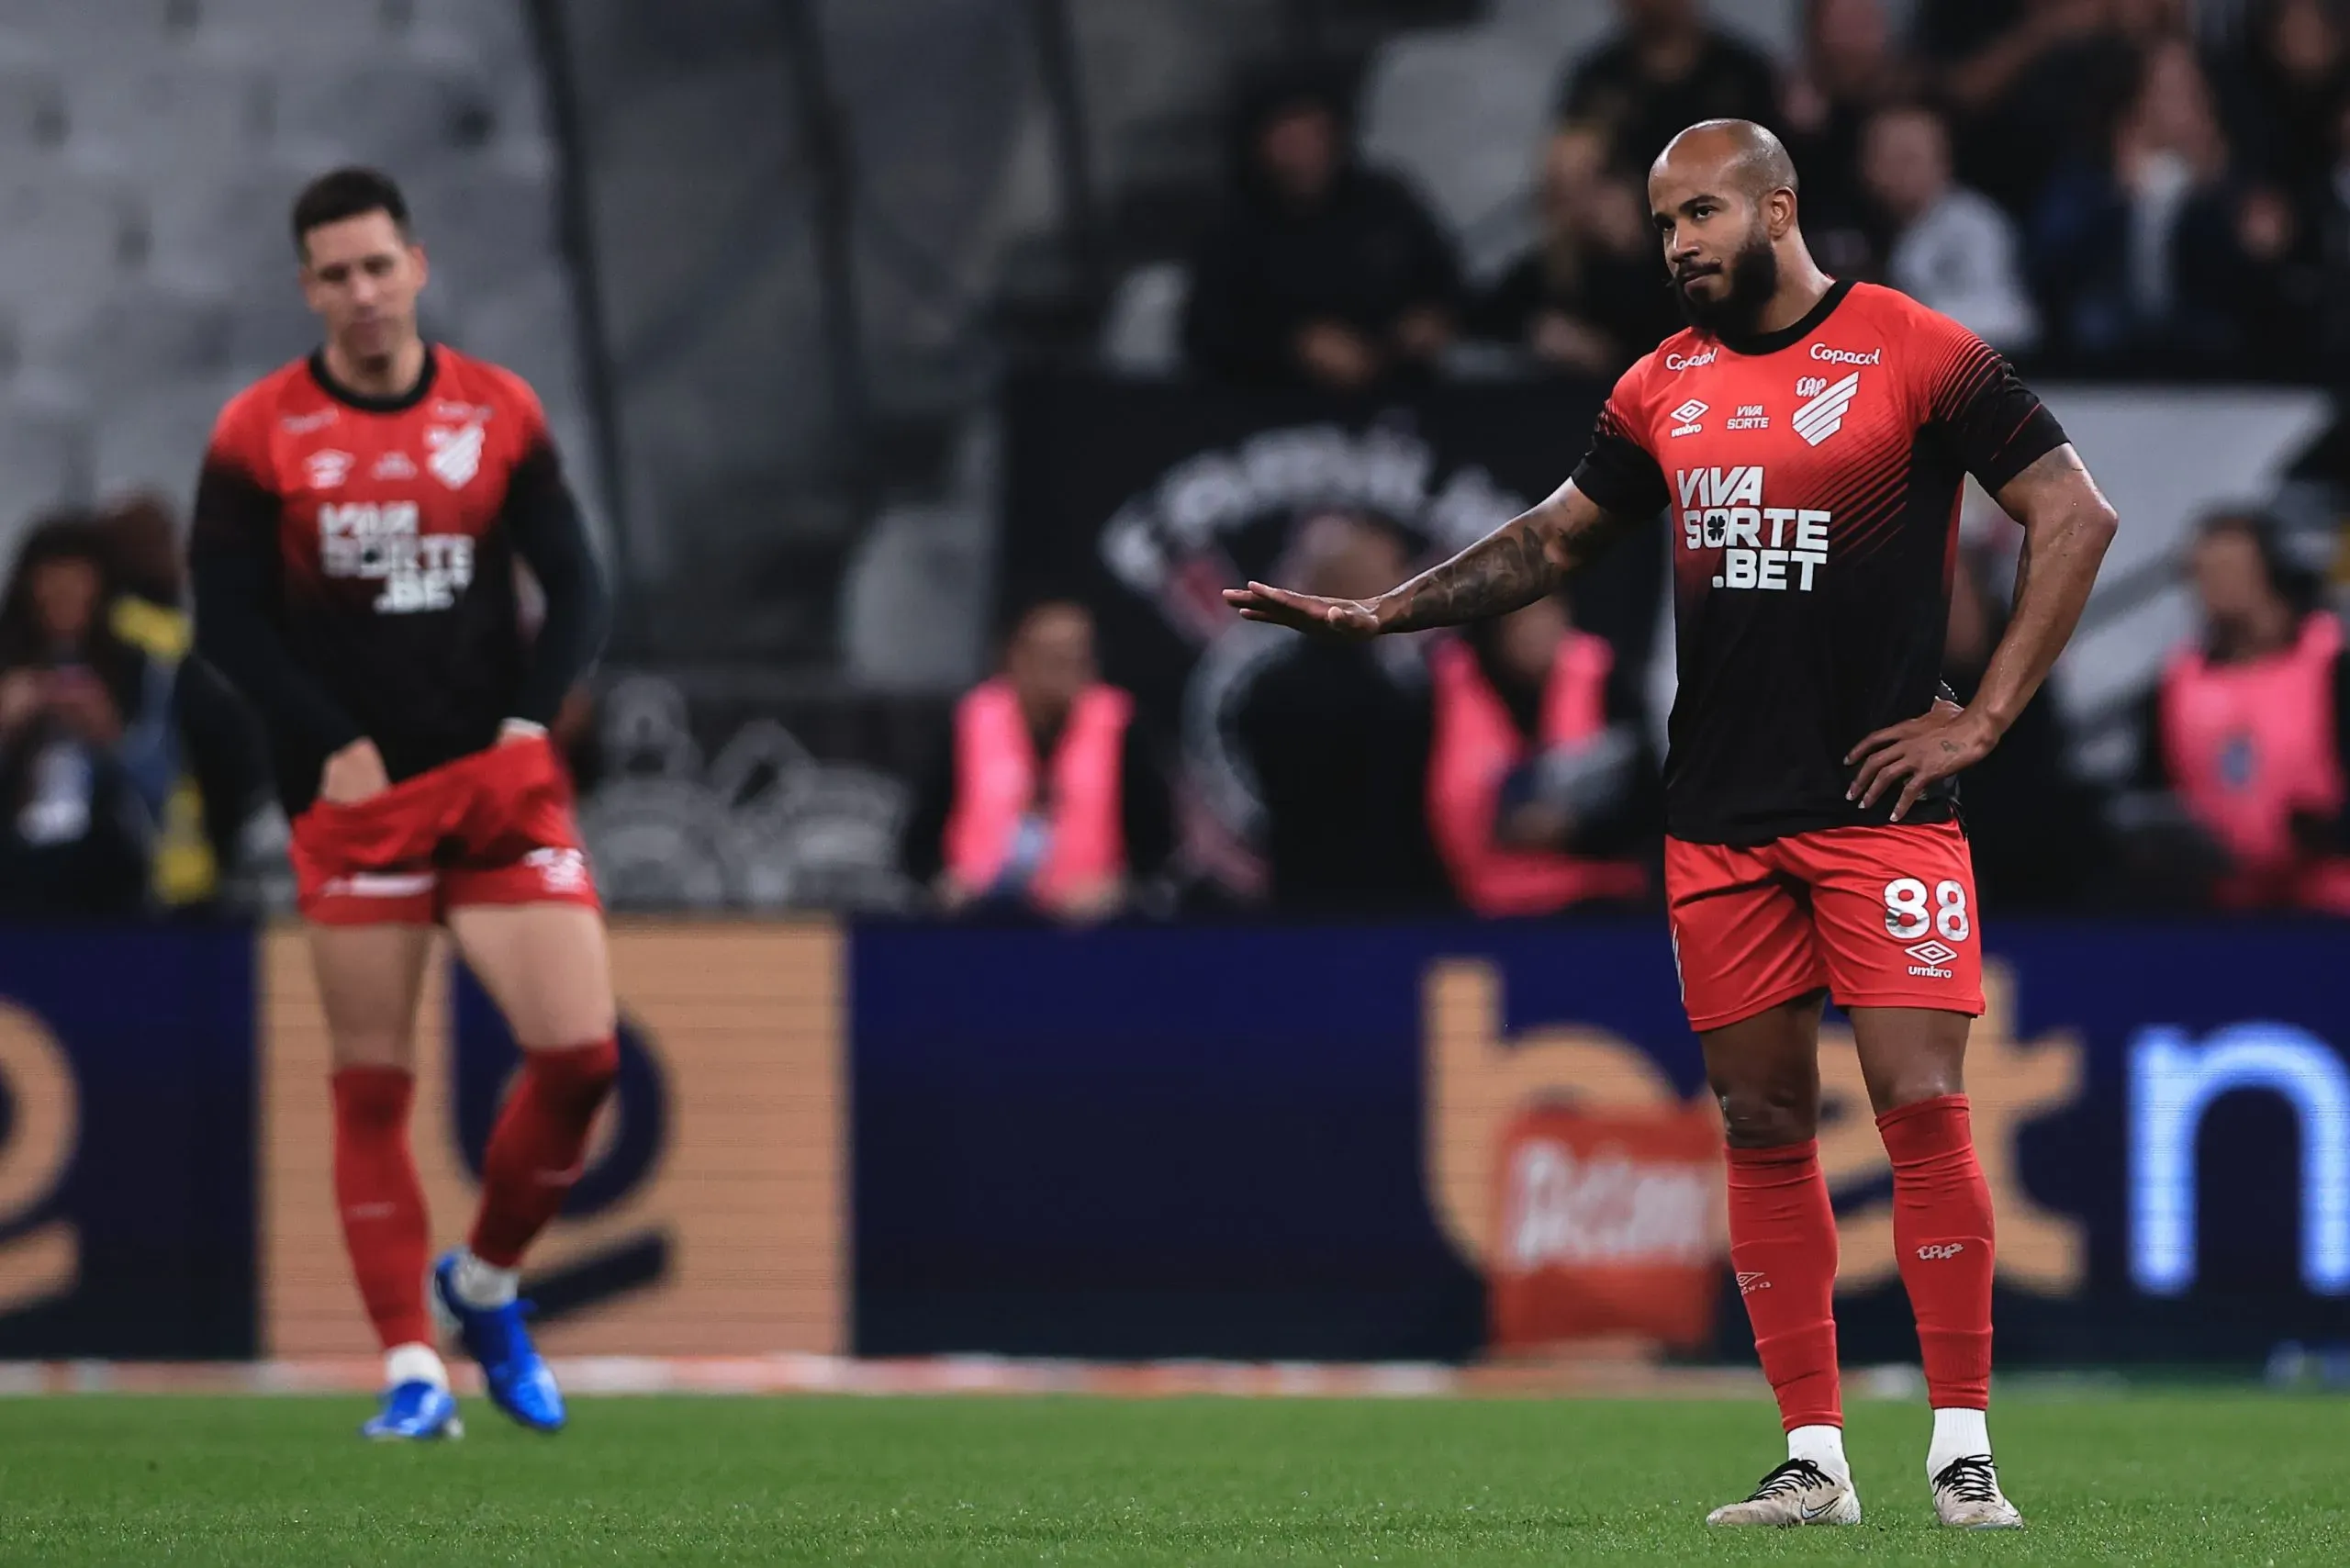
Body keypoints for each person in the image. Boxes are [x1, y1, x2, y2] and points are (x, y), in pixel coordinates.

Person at [1228, 119, 2117, 1529]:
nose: (1677, 244)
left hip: (1880, 805)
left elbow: (2074, 513)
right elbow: (1551, 539)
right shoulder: (1663, 384)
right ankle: (1814, 1458)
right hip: (1718, 815)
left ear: (1780, 209)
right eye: (1660, 225)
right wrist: (1382, 614)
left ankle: (1963, 1449)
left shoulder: (1914, 349)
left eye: (1701, 213)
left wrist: (1987, 717)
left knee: (1921, 1105)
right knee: (1761, 1122)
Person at [188, 168, 612, 1441]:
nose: (363, 292)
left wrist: (530, 721)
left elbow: (579, 585)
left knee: (581, 1059)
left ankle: (482, 1284)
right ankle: (411, 1367)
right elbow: (228, 621)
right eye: (337, 274)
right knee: (371, 1086)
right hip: (357, 798)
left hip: (492, 784)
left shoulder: (497, 409)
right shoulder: (260, 430)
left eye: (379, 265)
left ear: (417, 266)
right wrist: (334, 743)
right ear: (307, 289)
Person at [1207, 510, 1453, 915]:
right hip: (1365, 902)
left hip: (1316, 898)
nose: (1402, 586)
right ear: (1347, 586)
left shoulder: (1270, 689)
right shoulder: (1378, 695)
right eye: (1391, 574)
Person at [1181, 62, 1461, 393]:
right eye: (1289, 140)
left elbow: (1448, 284)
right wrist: (1293, 347)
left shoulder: (1385, 203)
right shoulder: (1234, 226)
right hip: (1274, 403)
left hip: (1398, 395)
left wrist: (1432, 318)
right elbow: (1207, 333)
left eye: (1317, 134)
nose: (1306, 152)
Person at [2126, 512, 2350, 911]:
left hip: (2330, 905)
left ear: (2270, 571)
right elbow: (2153, 792)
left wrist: (2326, 830)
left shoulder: (2334, 667)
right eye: (2204, 574)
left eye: (2230, 570)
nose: (2215, 587)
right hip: (2220, 908)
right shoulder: (2172, 685)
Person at [901, 599, 1172, 921]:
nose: (1065, 672)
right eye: (1053, 659)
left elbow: (1155, 843)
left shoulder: (1120, 725)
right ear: (1017, 658)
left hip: (1088, 926)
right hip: (979, 921)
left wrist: (1118, 888)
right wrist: (943, 881)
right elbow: (918, 840)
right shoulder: (970, 721)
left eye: (1078, 658)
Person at [1426, 593, 1655, 916]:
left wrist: (1573, 830)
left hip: (1601, 905)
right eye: (1519, 620)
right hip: (1475, 911)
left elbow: (1647, 803)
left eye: (1544, 614)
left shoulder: (1612, 684)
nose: (1533, 631)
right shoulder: (1441, 690)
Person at [1467, 124, 1684, 379]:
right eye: (1563, 189)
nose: (1580, 203)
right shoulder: (1555, 264)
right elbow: (1483, 318)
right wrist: (1536, 330)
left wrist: (1631, 249)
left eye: (1590, 184)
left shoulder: (1678, 250)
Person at [1860, 103, 2041, 353]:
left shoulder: (1975, 226)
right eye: (1884, 158)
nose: (1894, 172)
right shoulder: (1867, 224)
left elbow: (1999, 316)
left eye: (1908, 159)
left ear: (1943, 163)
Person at [1556, 0, 1781, 181]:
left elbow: (1775, 169)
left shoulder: (1743, 74)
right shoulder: (1599, 80)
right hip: (1627, 218)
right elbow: (1570, 160)